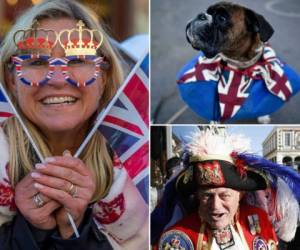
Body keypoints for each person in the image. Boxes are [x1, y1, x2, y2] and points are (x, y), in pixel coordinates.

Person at [0, 0, 148, 249]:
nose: (58, 79)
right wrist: (31, 230)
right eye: (36, 62)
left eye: (78, 59)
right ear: (11, 80)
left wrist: (75, 231)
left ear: (105, 76)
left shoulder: (140, 165)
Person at [153, 129, 300, 250]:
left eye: (224, 196)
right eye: (207, 196)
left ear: (240, 194)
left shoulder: (260, 219)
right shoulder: (176, 239)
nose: (215, 206)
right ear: (197, 195)